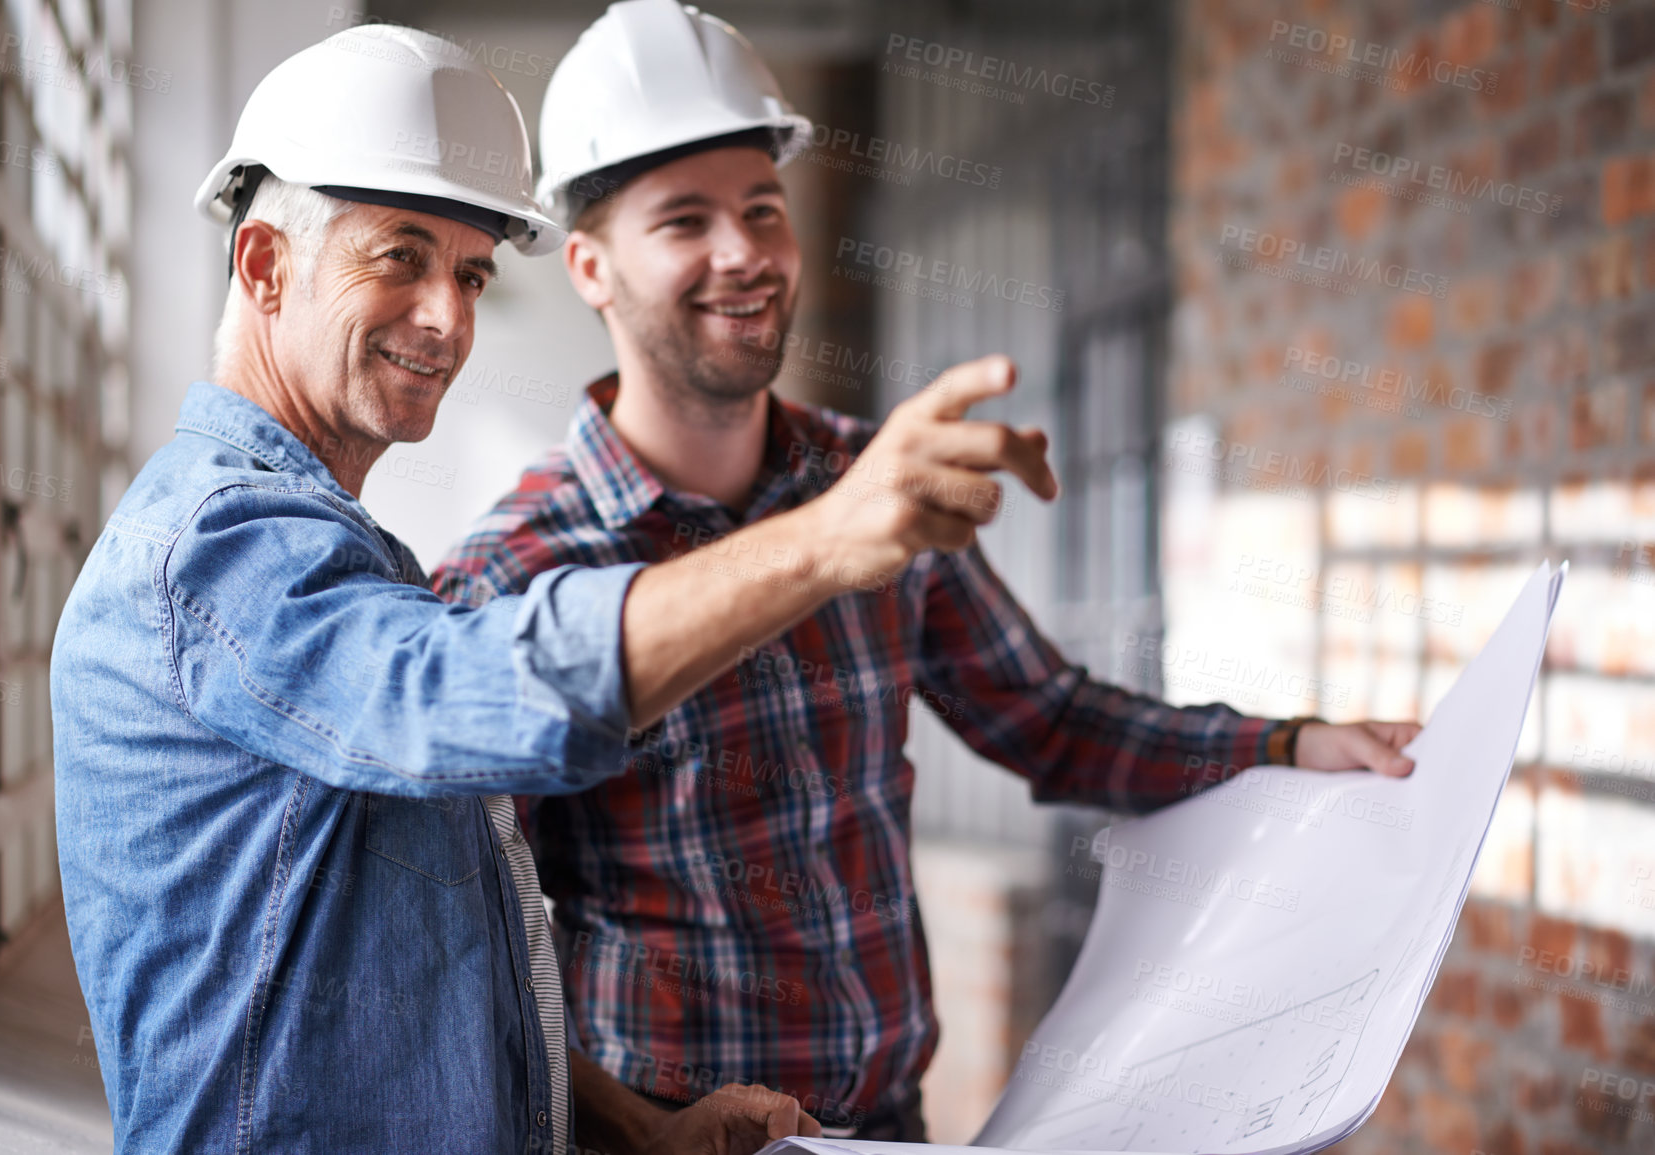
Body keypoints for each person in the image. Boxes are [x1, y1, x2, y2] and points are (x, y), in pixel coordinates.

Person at [432, 0, 1424, 1143]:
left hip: (889, 1122)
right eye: (685, 221)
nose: (743, 251)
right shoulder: (514, 577)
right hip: (667, 1138)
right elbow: (484, 947)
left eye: (764, 208)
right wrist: (623, 1129)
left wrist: (1290, 746)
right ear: (593, 269)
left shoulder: (878, 484)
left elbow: (1048, 722)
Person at [51, 24, 1050, 1154]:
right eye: (400, 256)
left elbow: (454, 977)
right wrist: (822, 542)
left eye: (471, 273)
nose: (449, 317)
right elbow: (465, 688)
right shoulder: (214, 549)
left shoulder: (338, 555)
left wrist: (637, 1129)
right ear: (267, 266)